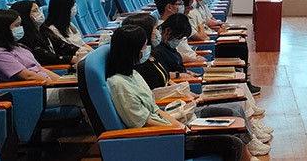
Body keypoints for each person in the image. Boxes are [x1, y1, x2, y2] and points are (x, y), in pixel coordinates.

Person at [105, 25, 261, 160]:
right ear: (132, 51)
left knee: (228, 113)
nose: (147, 50)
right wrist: (180, 129)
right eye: (144, 47)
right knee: (232, 143)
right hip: (164, 138)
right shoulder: (119, 85)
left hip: (171, 125)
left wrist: (180, 123)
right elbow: (144, 122)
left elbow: (155, 109)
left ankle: (251, 151)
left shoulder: (133, 74)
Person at [0, 9, 81, 108]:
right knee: (79, 95)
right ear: (4, 30)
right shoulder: (0, 54)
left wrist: (61, 82)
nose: (20, 28)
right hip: (32, 92)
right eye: (16, 25)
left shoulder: (19, 47)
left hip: (46, 86)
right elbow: (28, 76)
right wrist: (53, 84)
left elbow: (40, 68)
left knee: (83, 90)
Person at [11, 0, 82, 66]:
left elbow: (62, 45)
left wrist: (80, 51)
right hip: (54, 69)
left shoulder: (44, 30)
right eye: (35, 11)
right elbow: (46, 58)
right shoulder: (24, 39)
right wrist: (73, 59)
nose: (40, 13)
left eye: (39, 10)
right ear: (25, 16)